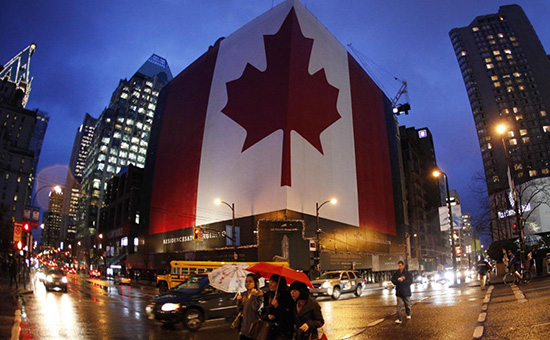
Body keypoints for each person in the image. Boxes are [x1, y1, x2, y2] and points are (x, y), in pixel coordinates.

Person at [261, 275, 293, 340]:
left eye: (273, 282)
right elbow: (262, 313)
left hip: (283, 332)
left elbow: (289, 316)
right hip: (268, 331)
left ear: (279, 283)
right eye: (269, 282)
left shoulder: (287, 296)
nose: (270, 284)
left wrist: (277, 306)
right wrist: (268, 316)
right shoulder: (267, 295)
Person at [236, 273, 264, 340]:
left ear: (255, 283)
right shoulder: (245, 294)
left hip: (254, 329)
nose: (248, 283)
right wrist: (239, 301)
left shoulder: (259, 294)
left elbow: (256, 307)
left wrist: (253, 296)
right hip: (244, 329)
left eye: (250, 281)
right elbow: (240, 310)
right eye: (246, 281)